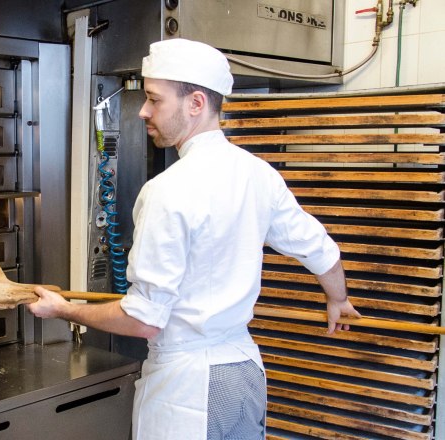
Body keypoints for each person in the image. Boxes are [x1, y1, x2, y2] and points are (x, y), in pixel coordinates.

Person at [26, 38, 361, 440]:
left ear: (196, 103)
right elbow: (321, 251)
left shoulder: (169, 190)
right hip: (244, 374)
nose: (144, 112)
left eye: (154, 99)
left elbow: (144, 320)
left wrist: (65, 310)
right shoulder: (257, 174)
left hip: (189, 389)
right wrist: (338, 299)